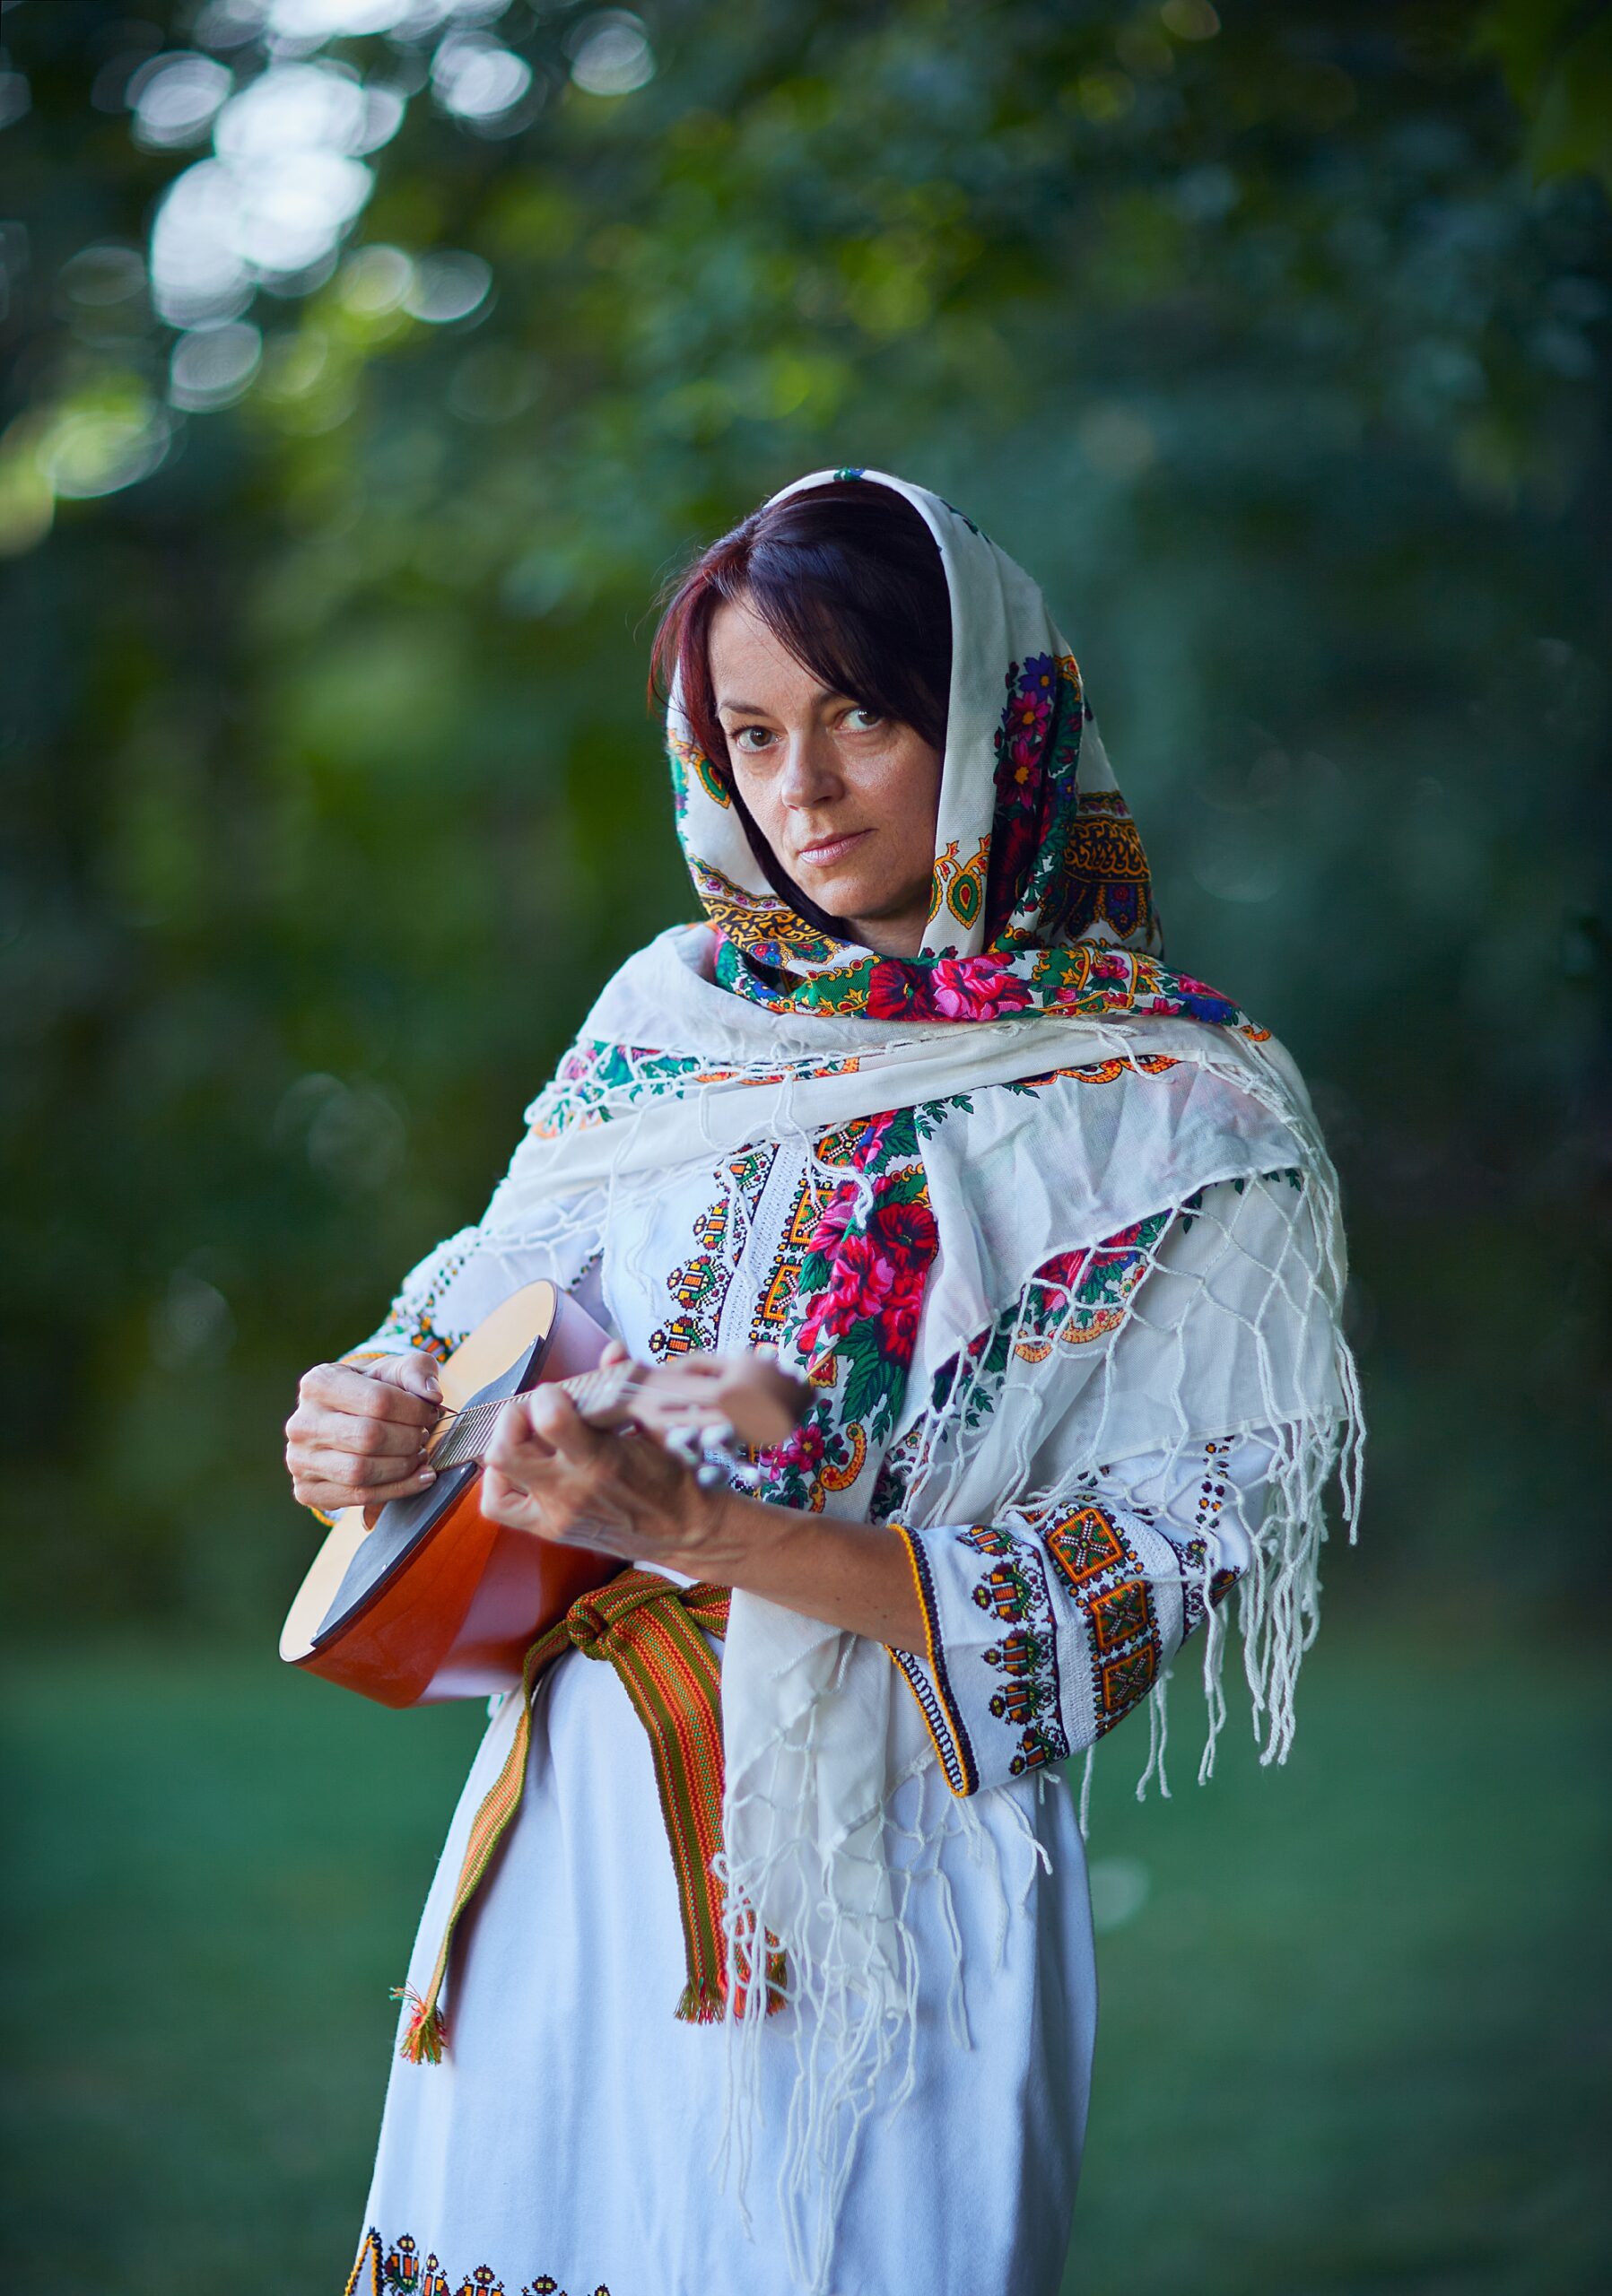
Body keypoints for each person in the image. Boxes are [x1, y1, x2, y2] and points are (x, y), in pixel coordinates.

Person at [284, 469, 1361, 2296]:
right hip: (567, 1840)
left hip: (882, 1880)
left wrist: (705, 1525)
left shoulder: (1182, 1113)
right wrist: (370, 1416)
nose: (803, 784)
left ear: (1000, 716)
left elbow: (1126, 1578)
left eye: (862, 711)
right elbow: (481, 1316)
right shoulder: (664, 1026)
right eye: (753, 729)